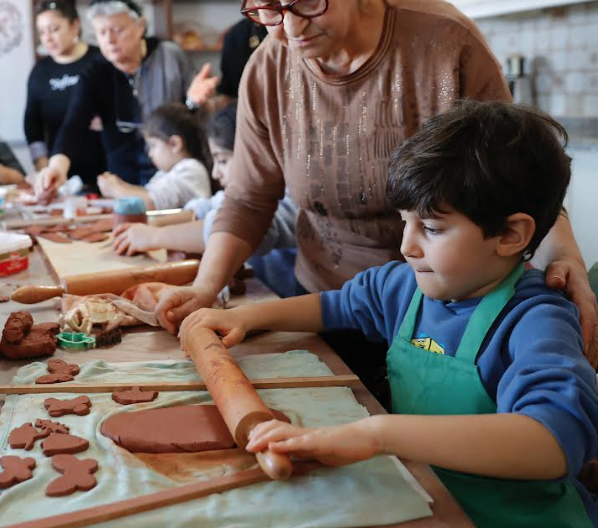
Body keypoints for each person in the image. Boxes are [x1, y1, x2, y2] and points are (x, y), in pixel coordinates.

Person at [156, 0, 598, 373]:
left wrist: (568, 261)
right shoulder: (266, 70)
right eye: (266, 8)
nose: (291, 29)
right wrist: (204, 287)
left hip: (450, 313)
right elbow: (247, 199)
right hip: (327, 305)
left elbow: (518, 182)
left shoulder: (445, 46)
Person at [180, 100, 598, 528]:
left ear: (511, 234)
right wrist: (251, 318)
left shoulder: (535, 320)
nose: (407, 246)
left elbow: (553, 442)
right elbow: (333, 306)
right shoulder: (404, 287)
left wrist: (377, 434)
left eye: (432, 229)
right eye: (405, 222)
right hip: (427, 499)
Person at [112, 103, 299, 296]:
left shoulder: (290, 197)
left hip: (291, 301)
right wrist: (147, 228)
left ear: (259, 156)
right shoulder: (247, 193)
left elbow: (237, 225)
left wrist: (153, 236)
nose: (215, 173)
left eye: (223, 160)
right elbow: (205, 209)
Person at [33, 0, 197, 195]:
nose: (109, 40)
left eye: (117, 30)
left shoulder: (169, 56)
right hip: (122, 180)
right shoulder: (96, 71)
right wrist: (56, 167)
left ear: (140, 26)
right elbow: (74, 124)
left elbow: (192, 117)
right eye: (101, 32)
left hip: (174, 176)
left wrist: (195, 104)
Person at [24, 0, 106, 189]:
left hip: (106, 168)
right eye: (41, 32)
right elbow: (32, 125)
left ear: (75, 26)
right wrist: (44, 164)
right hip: (60, 173)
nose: (47, 38)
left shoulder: (99, 60)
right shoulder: (40, 71)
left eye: (54, 29)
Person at [97, 103, 211, 210]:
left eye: (153, 146)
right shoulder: (165, 172)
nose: (150, 153)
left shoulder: (192, 169)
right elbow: (147, 193)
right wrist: (121, 185)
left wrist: (116, 189)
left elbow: (151, 203)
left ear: (174, 144)